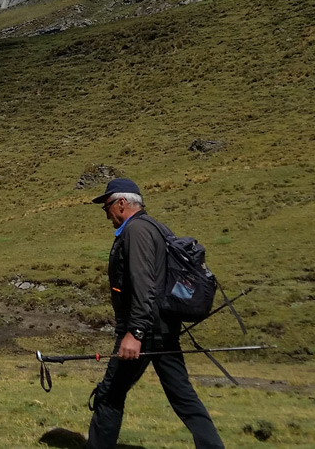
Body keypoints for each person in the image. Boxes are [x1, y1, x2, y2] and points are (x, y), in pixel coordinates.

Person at [86, 179, 224, 448]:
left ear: (122, 203)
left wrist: (134, 333)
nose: (107, 215)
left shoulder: (136, 231)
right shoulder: (156, 228)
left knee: (109, 394)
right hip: (164, 329)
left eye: (107, 208)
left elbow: (143, 283)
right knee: (183, 396)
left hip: (143, 330)